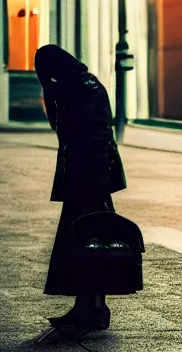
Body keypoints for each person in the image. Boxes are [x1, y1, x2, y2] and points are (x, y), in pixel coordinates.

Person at [34, 44, 128, 331]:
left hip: (88, 176)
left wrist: (98, 180)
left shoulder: (83, 90)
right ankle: (90, 306)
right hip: (85, 175)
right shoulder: (77, 85)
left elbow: (98, 135)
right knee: (87, 242)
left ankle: (93, 308)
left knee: (87, 241)